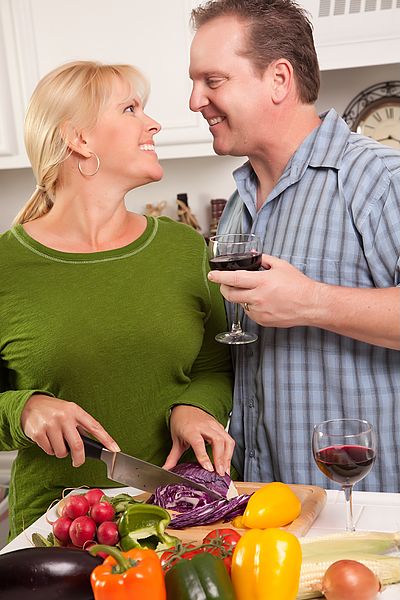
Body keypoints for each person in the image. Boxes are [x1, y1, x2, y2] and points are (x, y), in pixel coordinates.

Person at [0, 60, 234, 539]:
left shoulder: (183, 248)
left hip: (181, 519)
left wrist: (198, 407)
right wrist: (24, 409)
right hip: (57, 528)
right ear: (79, 140)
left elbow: (217, 364)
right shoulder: (6, 265)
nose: (153, 123)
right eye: (130, 108)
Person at [189, 0, 400, 493]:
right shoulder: (241, 208)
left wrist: (312, 300)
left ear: (279, 79)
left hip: (364, 509)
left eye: (213, 80)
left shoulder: (379, 181)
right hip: (266, 509)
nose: (194, 100)